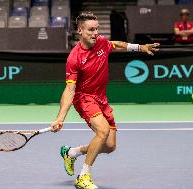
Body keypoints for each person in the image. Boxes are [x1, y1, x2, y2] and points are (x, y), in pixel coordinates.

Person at [50, 12, 159, 189]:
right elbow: (70, 89)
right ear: (80, 31)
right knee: (103, 131)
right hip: (84, 98)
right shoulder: (74, 57)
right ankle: (83, 176)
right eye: (91, 30)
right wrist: (60, 117)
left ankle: (71, 152)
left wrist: (140, 47)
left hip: (101, 98)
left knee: (109, 146)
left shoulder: (101, 42)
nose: (95, 33)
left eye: (97, 29)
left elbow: (115, 44)